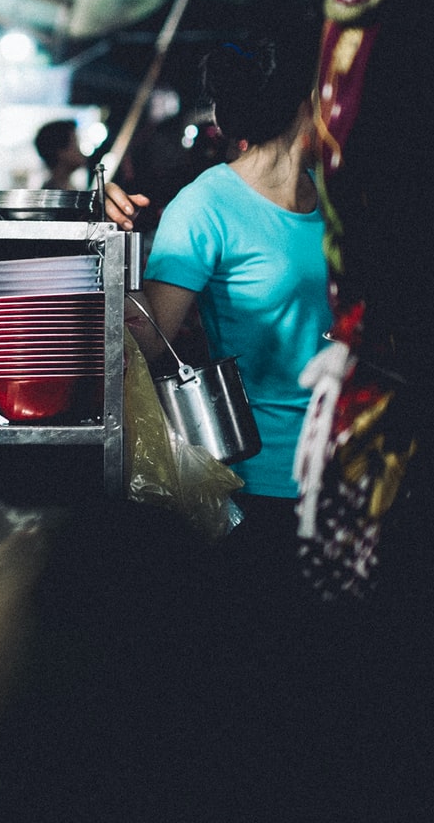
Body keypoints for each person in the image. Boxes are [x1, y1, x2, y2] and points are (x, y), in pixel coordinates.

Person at [110, 39, 330, 592]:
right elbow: (152, 339)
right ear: (307, 101)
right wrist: (108, 250)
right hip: (267, 479)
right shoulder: (206, 206)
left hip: (352, 468)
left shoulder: (335, 196)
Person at [31, 119, 86, 190]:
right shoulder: (54, 195)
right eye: (75, 144)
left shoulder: (67, 189)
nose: (80, 151)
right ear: (61, 152)